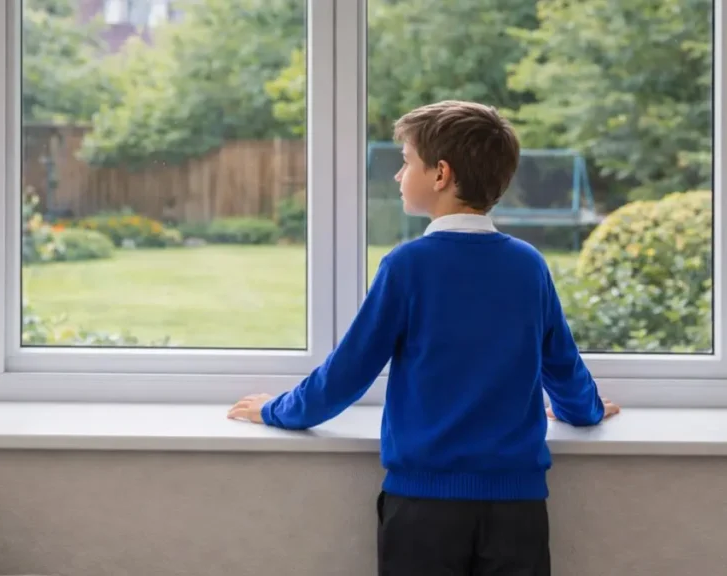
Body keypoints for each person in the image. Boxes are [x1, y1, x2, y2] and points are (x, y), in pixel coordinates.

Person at [227, 100, 620, 575]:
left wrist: (274, 410)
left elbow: (346, 373)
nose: (398, 175)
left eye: (406, 161)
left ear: (440, 175)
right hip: (518, 513)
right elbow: (562, 365)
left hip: (422, 511)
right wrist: (587, 410)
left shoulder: (407, 266)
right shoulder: (528, 265)